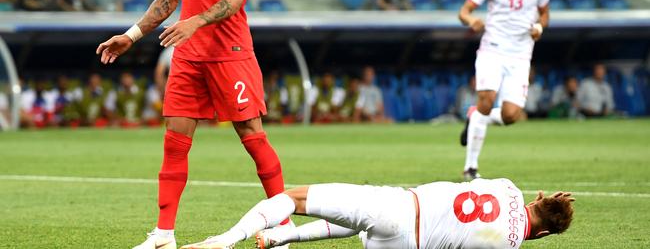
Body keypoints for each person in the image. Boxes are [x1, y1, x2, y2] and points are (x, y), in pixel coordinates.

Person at [96, 0, 289, 248]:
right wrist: (132, 35)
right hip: (188, 57)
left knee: (252, 136)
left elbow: (233, 1)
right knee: (174, 142)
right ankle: (164, 235)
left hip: (230, 54)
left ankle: (284, 226)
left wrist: (194, 21)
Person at [180, 178, 574, 249]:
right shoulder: (508, 247)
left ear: (538, 198)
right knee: (361, 230)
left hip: (403, 205)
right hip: (408, 245)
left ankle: (226, 241)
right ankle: (283, 237)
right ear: (542, 237)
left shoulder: (507, 186)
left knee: (292, 198)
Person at [458, 0, 550, 181]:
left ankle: (475, 117)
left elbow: (544, 14)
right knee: (486, 100)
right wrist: (472, 21)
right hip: (493, 49)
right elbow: (464, 11)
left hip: (520, 55)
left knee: (511, 116)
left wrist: (539, 28)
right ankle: (470, 168)